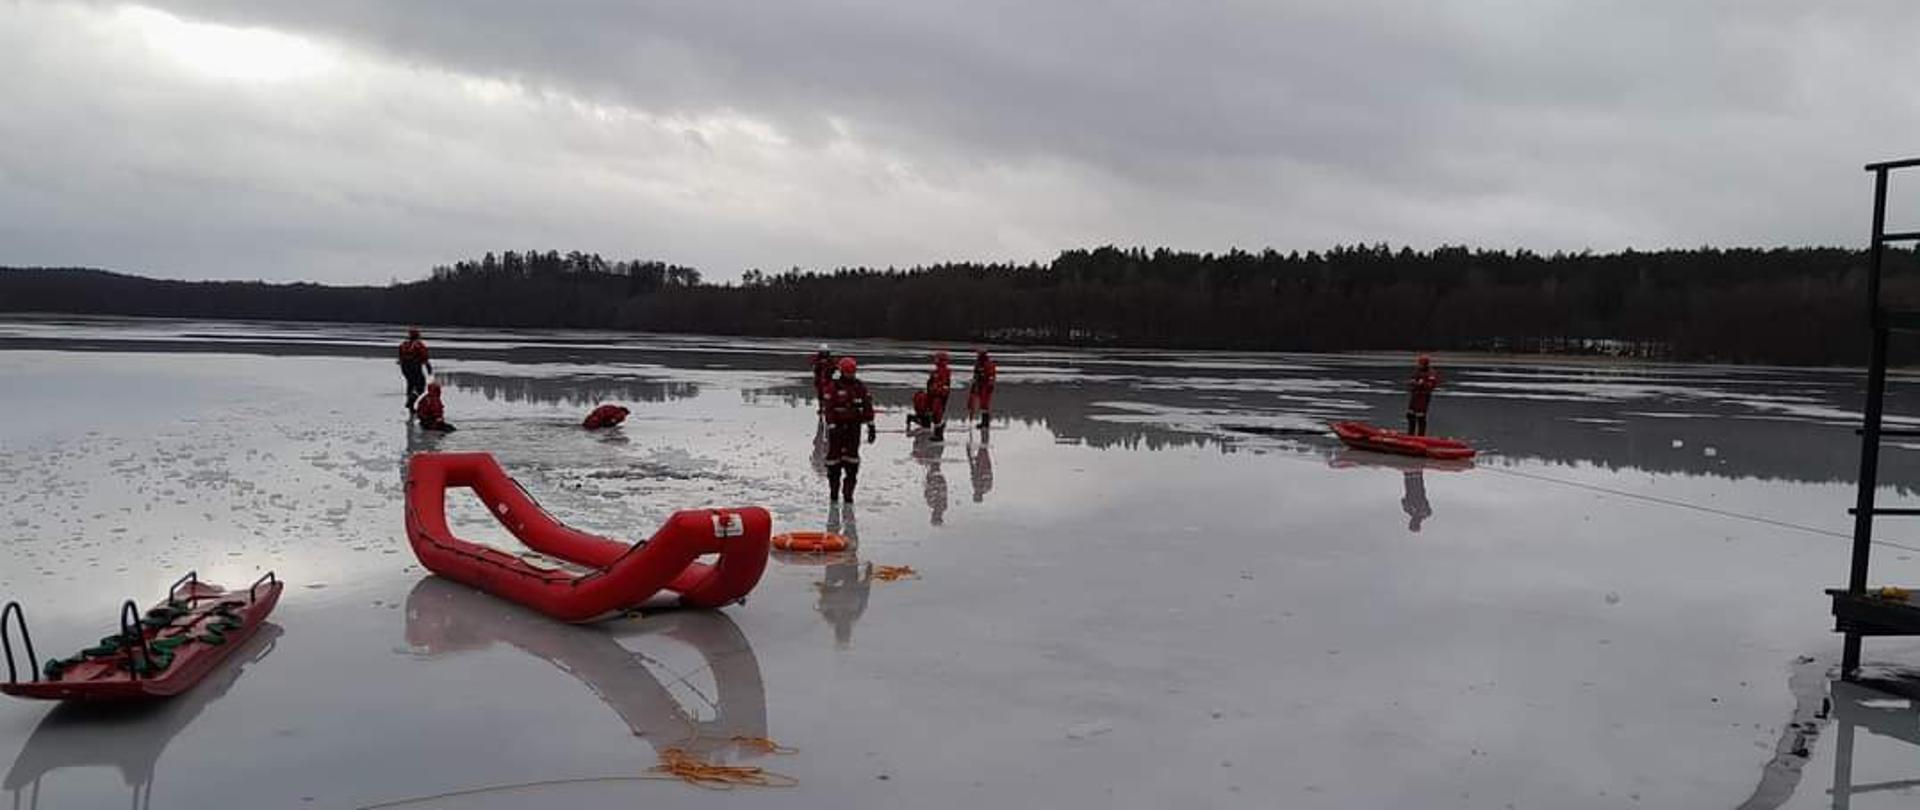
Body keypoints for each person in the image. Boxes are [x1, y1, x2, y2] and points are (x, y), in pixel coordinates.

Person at [822, 356, 876, 502]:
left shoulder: (860, 387)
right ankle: (833, 492)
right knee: (834, 462)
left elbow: (867, 406)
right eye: (848, 372)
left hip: (854, 429)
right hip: (837, 429)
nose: (851, 374)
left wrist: (871, 425)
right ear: (842, 371)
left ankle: (848, 494)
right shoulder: (833, 387)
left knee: (852, 462)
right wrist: (831, 425)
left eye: (852, 372)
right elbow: (828, 408)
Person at [398, 328, 433, 412]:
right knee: (420, 387)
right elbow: (425, 357)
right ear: (418, 336)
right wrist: (429, 368)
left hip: (405, 367)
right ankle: (411, 401)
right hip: (415, 367)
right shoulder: (419, 345)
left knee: (410, 384)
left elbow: (400, 356)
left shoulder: (404, 344)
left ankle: (411, 406)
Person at [1406, 354, 1440, 436]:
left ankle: (1421, 435)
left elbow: (1431, 385)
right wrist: (1413, 383)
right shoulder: (1417, 371)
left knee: (1421, 417)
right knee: (1410, 415)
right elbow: (1411, 381)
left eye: (1421, 363)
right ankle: (1410, 434)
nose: (1419, 365)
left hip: (1423, 397)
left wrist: (1422, 384)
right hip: (1415, 396)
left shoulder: (1431, 373)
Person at [966, 349, 997, 429]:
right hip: (979, 385)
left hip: (985, 387)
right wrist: (974, 385)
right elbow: (975, 375)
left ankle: (985, 423)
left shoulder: (988, 364)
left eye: (979, 354)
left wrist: (990, 385)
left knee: (984, 405)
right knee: (982, 405)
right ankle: (984, 422)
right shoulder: (978, 364)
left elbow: (991, 376)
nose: (977, 356)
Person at [926, 350, 952, 441]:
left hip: (939, 396)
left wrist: (938, 392)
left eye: (936, 358)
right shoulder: (937, 371)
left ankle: (938, 434)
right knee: (935, 414)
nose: (935, 360)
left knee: (937, 414)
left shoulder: (944, 371)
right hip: (934, 395)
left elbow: (944, 385)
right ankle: (937, 433)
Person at [810, 346, 835, 414]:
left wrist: (829, 366)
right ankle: (821, 408)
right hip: (819, 381)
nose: (824, 353)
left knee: (829, 395)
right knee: (820, 395)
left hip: (828, 381)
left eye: (825, 352)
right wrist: (819, 364)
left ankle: (828, 408)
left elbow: (834, 368)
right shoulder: (816, 359)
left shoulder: (831, 359)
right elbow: (813, 366)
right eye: (823, 352)